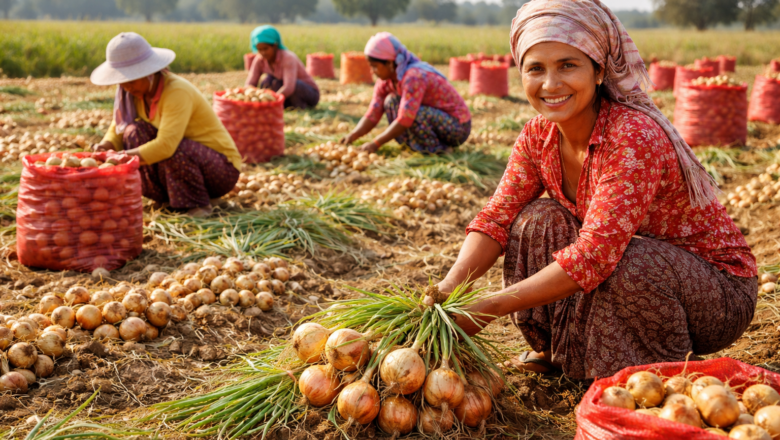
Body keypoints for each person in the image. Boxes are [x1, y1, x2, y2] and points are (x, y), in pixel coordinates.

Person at [430, 0, 758, 380]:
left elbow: (596, 255)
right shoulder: (538, 135)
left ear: (599, 70)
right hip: (637, 266)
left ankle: (648, 374)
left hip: (715, 292)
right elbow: (497, 218)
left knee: (628, 260)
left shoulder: (631, 136)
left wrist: (490, 307)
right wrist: (449, 288)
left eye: (567, 65)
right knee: (536, 220)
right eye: (535, 69)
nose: (551, 84)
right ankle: (556, 350)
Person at [91, 32, 241, 218]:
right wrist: (105, 147)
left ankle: (198, 205)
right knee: (134, 131)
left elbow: (166, 146)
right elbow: (118, 129)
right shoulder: (132, 95)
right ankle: (167, 198)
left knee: (176, 149)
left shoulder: (176, 91)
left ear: (148, 72)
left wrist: (121, 157)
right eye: (122, 81)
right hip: (183, 165)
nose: (127, 86)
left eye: (132, 80)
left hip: (221, 170)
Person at [341, 32, 471, 154]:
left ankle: (439, 150)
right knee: (391, 101)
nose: (372, 71)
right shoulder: (386, 81)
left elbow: (405, 119)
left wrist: (376, 143)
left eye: (374, 66)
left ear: (389, 63)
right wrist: (352, 135)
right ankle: (414, 146)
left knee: (416, 113)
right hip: (436, 121)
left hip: (457, 127)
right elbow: (373, 113)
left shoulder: (413, 77)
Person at [245, 26, 320, 109]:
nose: (263, 52)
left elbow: (289, 87)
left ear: (275, 46)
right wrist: (248, 94)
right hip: (285, 89)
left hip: (308, 92)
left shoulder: (288, 58)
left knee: (296, 85)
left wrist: (271, 101)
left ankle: (300, 106)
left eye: (266, 49)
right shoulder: (260, 59)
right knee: (266, 83)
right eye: (259, 49)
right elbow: (251, 82)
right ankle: (285, 105)